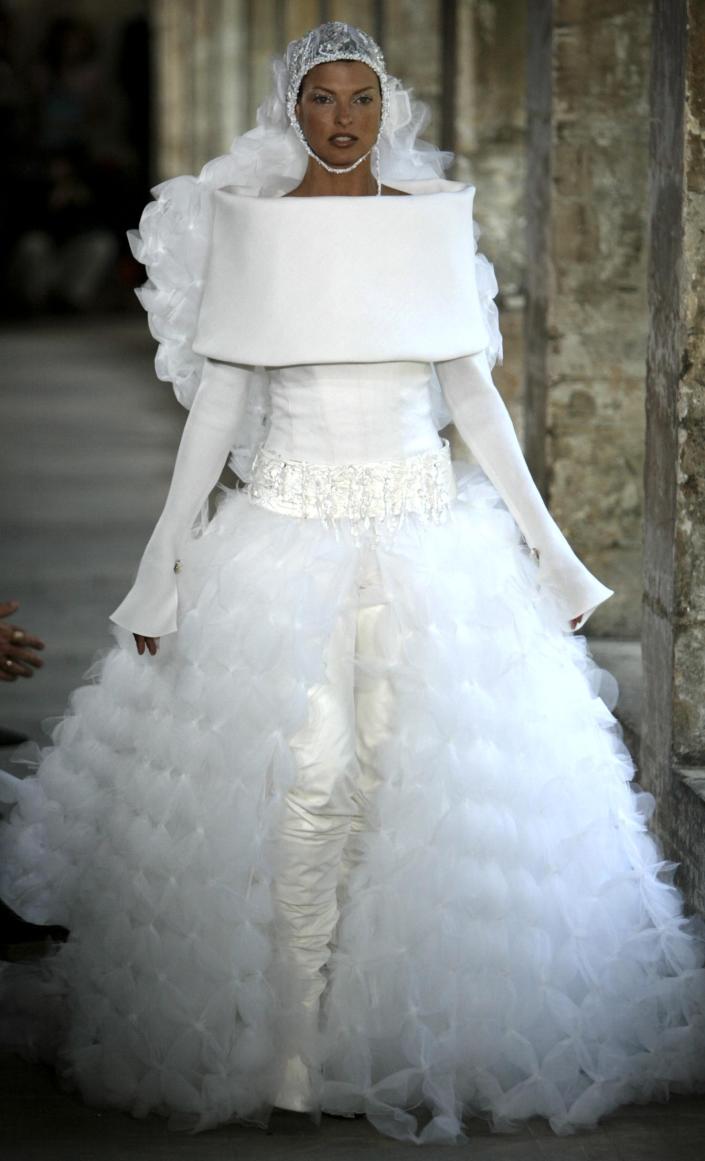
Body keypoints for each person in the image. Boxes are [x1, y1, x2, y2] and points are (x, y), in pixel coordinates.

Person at [1, 20, 704, 1146]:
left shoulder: (425, 229)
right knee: (312, 778)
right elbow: (219, 414)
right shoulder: (257, 237)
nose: (341, 119)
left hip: (429, 535)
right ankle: (284, 1055)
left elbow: (473, 400)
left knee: (405, 780)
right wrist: (160, 570)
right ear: (293, 110)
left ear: (390, 111)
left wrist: (551, 548)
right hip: (283, 539)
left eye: (361, 99)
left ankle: (380, 1046)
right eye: (321, 99)